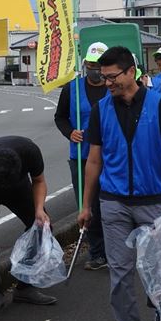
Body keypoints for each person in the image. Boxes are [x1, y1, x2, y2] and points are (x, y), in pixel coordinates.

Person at [77, 46, 161, 321]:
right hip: (113, 202)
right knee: (119, 273)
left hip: (153, 200)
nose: (107, 83)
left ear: (131, 72)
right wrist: (86, 205)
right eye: (103, 78)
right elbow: (93, 160)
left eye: (112, 76)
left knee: (158, 266)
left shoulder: (159, 105)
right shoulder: (101, 110)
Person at [0, 136, 57, 315]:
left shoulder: (30, 151)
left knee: (42, 227)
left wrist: (39, 209)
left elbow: (39, 181)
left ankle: (24, 286)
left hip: (18, 185)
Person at [54, 42, 108, 270]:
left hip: (111, 156)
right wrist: (70, 132)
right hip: (81, 156)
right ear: (85, 64)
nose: (94, 69)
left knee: (111, 205)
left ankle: (113, 249)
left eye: (99, 65)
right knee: (88, 206)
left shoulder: (114, 87)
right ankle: (97, 253)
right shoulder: (72, 89)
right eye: (91, 64)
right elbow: (60, 117)